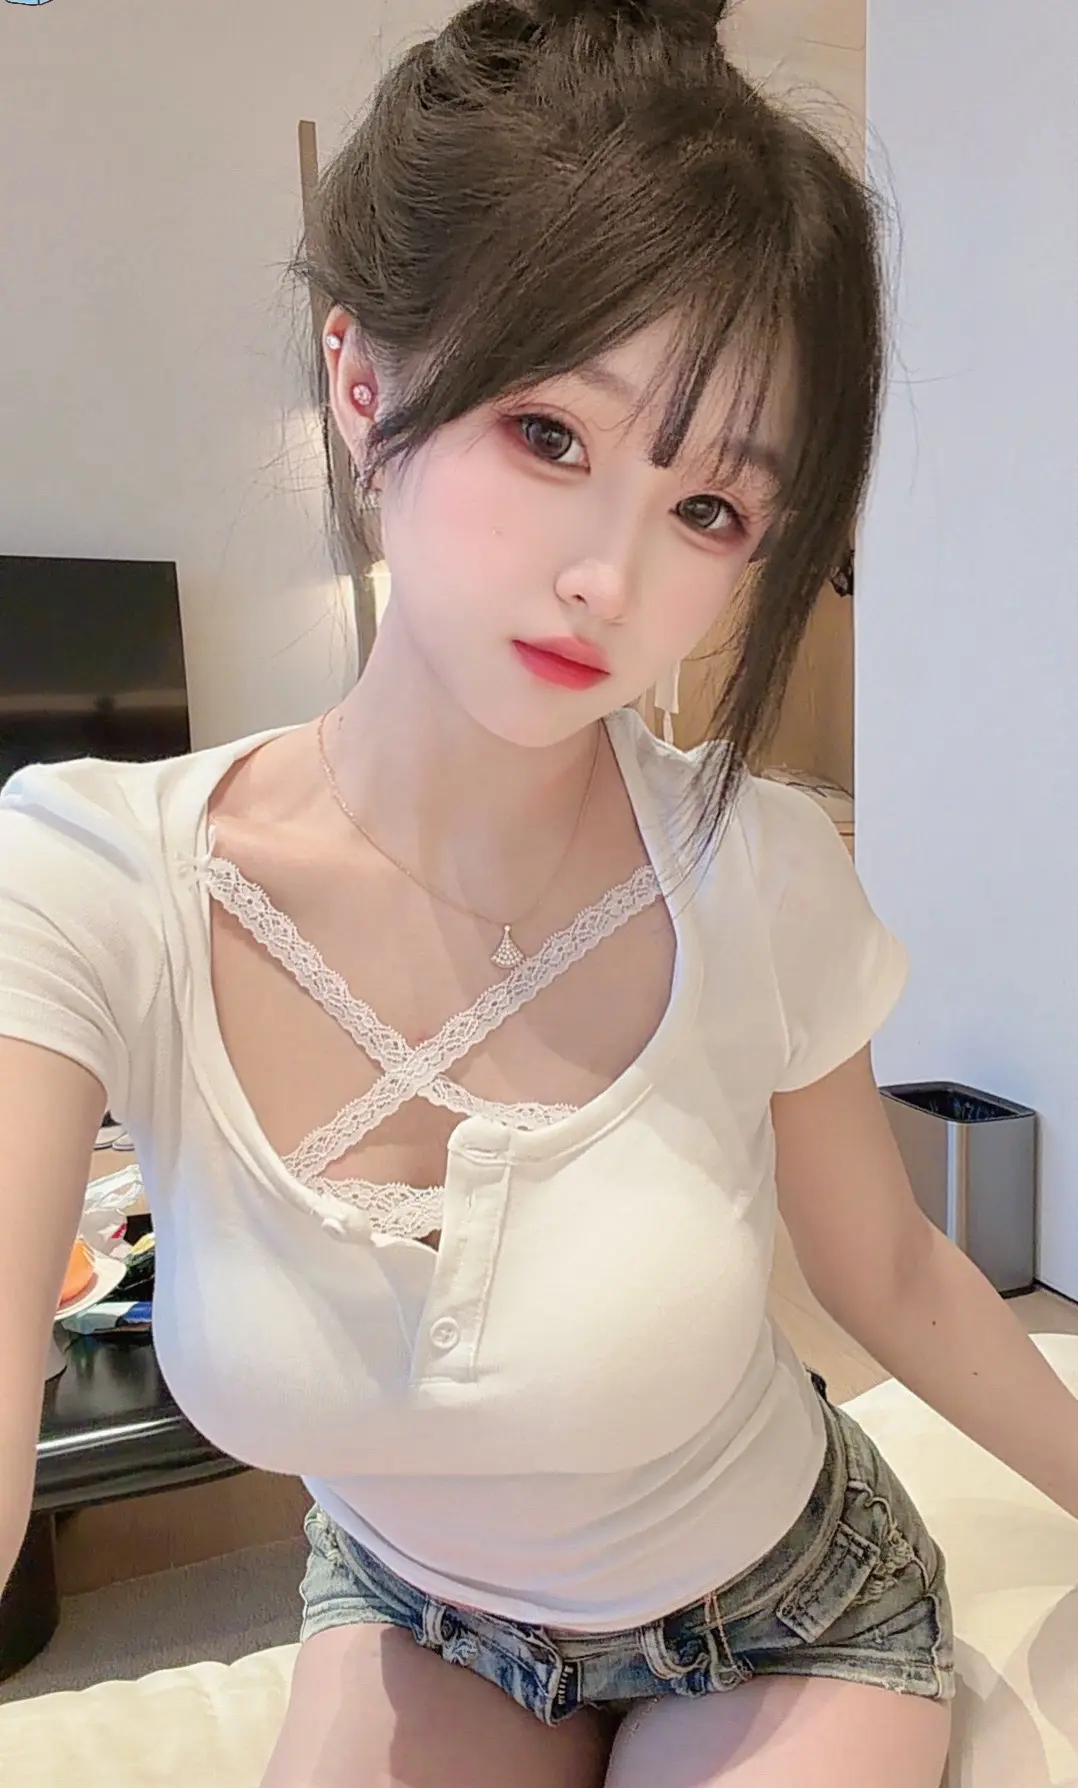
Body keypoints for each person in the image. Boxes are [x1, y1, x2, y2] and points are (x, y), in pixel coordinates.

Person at [3, 2, 1078, 1783]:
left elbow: (888, 1263)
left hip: (783, 1612)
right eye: (548, 434)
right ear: (363, 387)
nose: (608, 580)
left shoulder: (756, 867)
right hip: (413, 1606)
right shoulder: (90, 878)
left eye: (710, 510)